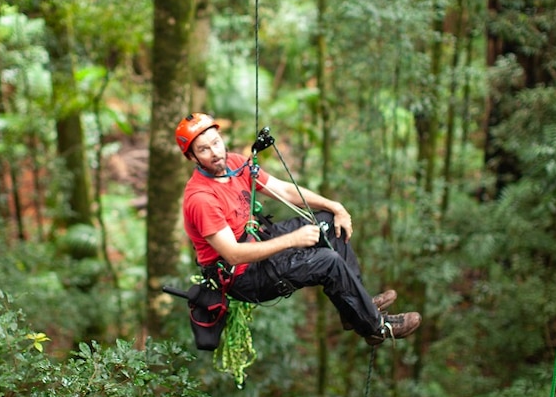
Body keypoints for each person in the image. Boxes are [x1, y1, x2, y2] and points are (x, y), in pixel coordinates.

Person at [175, 112, 421, 345]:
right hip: (244, 276)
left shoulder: (236, 165)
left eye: (216, 143)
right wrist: (293, 239)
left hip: (258, 241)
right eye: (203, 150)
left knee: (327, 222)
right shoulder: (201, 198)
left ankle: (356, 308)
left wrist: (335, 206)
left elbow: (285, 190)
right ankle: (376, 327)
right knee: (327, 260)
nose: (215, 153)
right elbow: (233, 254)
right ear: (192, 157)